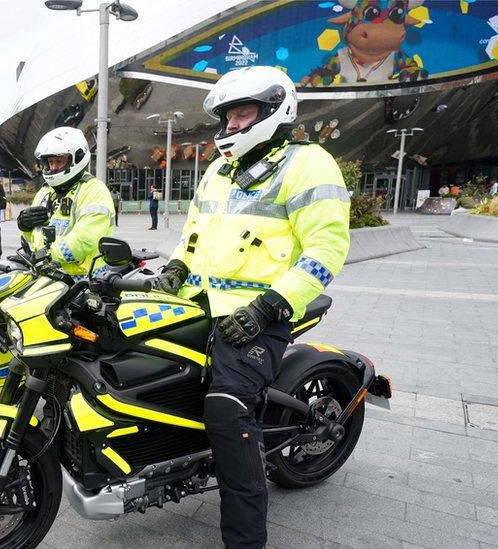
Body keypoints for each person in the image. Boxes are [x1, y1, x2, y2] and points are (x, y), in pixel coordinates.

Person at [154, 65, 350, 549]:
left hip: (260, 312)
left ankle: (245, 540)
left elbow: (327, 250)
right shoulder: (220, 170)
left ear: (274, 110)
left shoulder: (309, 163)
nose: (232, 127)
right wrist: (175, 269)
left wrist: (268, 307)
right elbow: (193, 235)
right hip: (199, 302)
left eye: (243, 115)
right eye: (228, 118)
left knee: (226, 408)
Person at [16, 126, 115, 280]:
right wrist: (24, 225)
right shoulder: (45, 192)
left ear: (77, 158)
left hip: (85, 279)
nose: (53, 167)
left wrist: (47, 255)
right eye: (50, 162)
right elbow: (33, 237)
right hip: (47, 273)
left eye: (59, 161)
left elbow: (84, 239)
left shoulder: (94, 190)